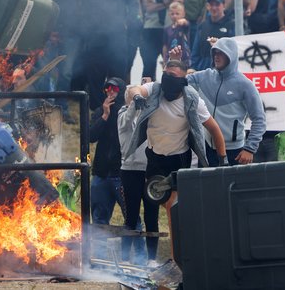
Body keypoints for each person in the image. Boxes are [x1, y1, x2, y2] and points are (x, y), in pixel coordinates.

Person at [124, 60, 226, 259]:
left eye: (173, 76)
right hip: (154, 157)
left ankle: (178, 255)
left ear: (183, 81)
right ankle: (151, 260)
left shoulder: (192, 99)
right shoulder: (154, 89)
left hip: (178, 159)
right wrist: (136, 96)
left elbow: (214, 129)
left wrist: (223, 160)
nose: (168, 80)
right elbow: (133, 90)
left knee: (174, 207)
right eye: (166, 74)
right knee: (151, 206)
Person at [172, 37, 266, 166]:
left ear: (231, 56)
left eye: (221, 53)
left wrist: (250, 149)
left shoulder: (245, 85)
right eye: (215, 53)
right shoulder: (204, 76)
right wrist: (175, 62)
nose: (216, 56)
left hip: (234, 151)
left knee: (230, 186)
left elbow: (259, 119)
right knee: (206, 186)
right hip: (206, 148)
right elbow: (177, 83)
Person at [89, 77, 141, 258]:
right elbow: (90, 136)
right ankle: (100, 259)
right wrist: (103, 116)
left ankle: (134, 257)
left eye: (114, 89)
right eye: (107, 89)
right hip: (101, 174)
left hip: (123, 174)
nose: (110, 92)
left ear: (121, 91)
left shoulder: (128, 113)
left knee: (132, 218)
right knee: (99, 219)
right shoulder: (100, 112)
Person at [118, 85, 159, 266]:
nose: (137, 98)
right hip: (130, 170)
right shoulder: (122, 115)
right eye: (132, 96)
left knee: (152, 215)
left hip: (149, 169)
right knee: (131, 216)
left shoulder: (149, 114)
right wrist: (135, 101)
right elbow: (127, 120)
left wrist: (147, 96)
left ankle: (151, 258)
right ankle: (126, 257)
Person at [140, 0, 181, 81]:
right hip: (151, 29)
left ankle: (170, 91)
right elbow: (148, 7)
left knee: (171, 65)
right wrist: (166, 4)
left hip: (169, 28)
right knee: (148, 65)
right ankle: (144, 93)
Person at [190, 0, 231, 71]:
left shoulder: (231, 25)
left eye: (217, 4)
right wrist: (193, 68)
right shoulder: (202, 26)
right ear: (208, 6)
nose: (214, 8)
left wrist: (219, 45)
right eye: (211, 5)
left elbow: (234, 51)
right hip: (203, 71)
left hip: (223, 72)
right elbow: (195, 51)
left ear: (224, 6)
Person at [163, 2, 191, 67]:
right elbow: (165, 46)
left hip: (184, 58)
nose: (174, 16)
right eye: (172, 14)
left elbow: (186, 23)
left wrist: (184, 21)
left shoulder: (184, 26)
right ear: (169, 14)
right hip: (171, 58)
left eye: (177, 14)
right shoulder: (167, 29)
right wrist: (164, 60)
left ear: (183, 14)